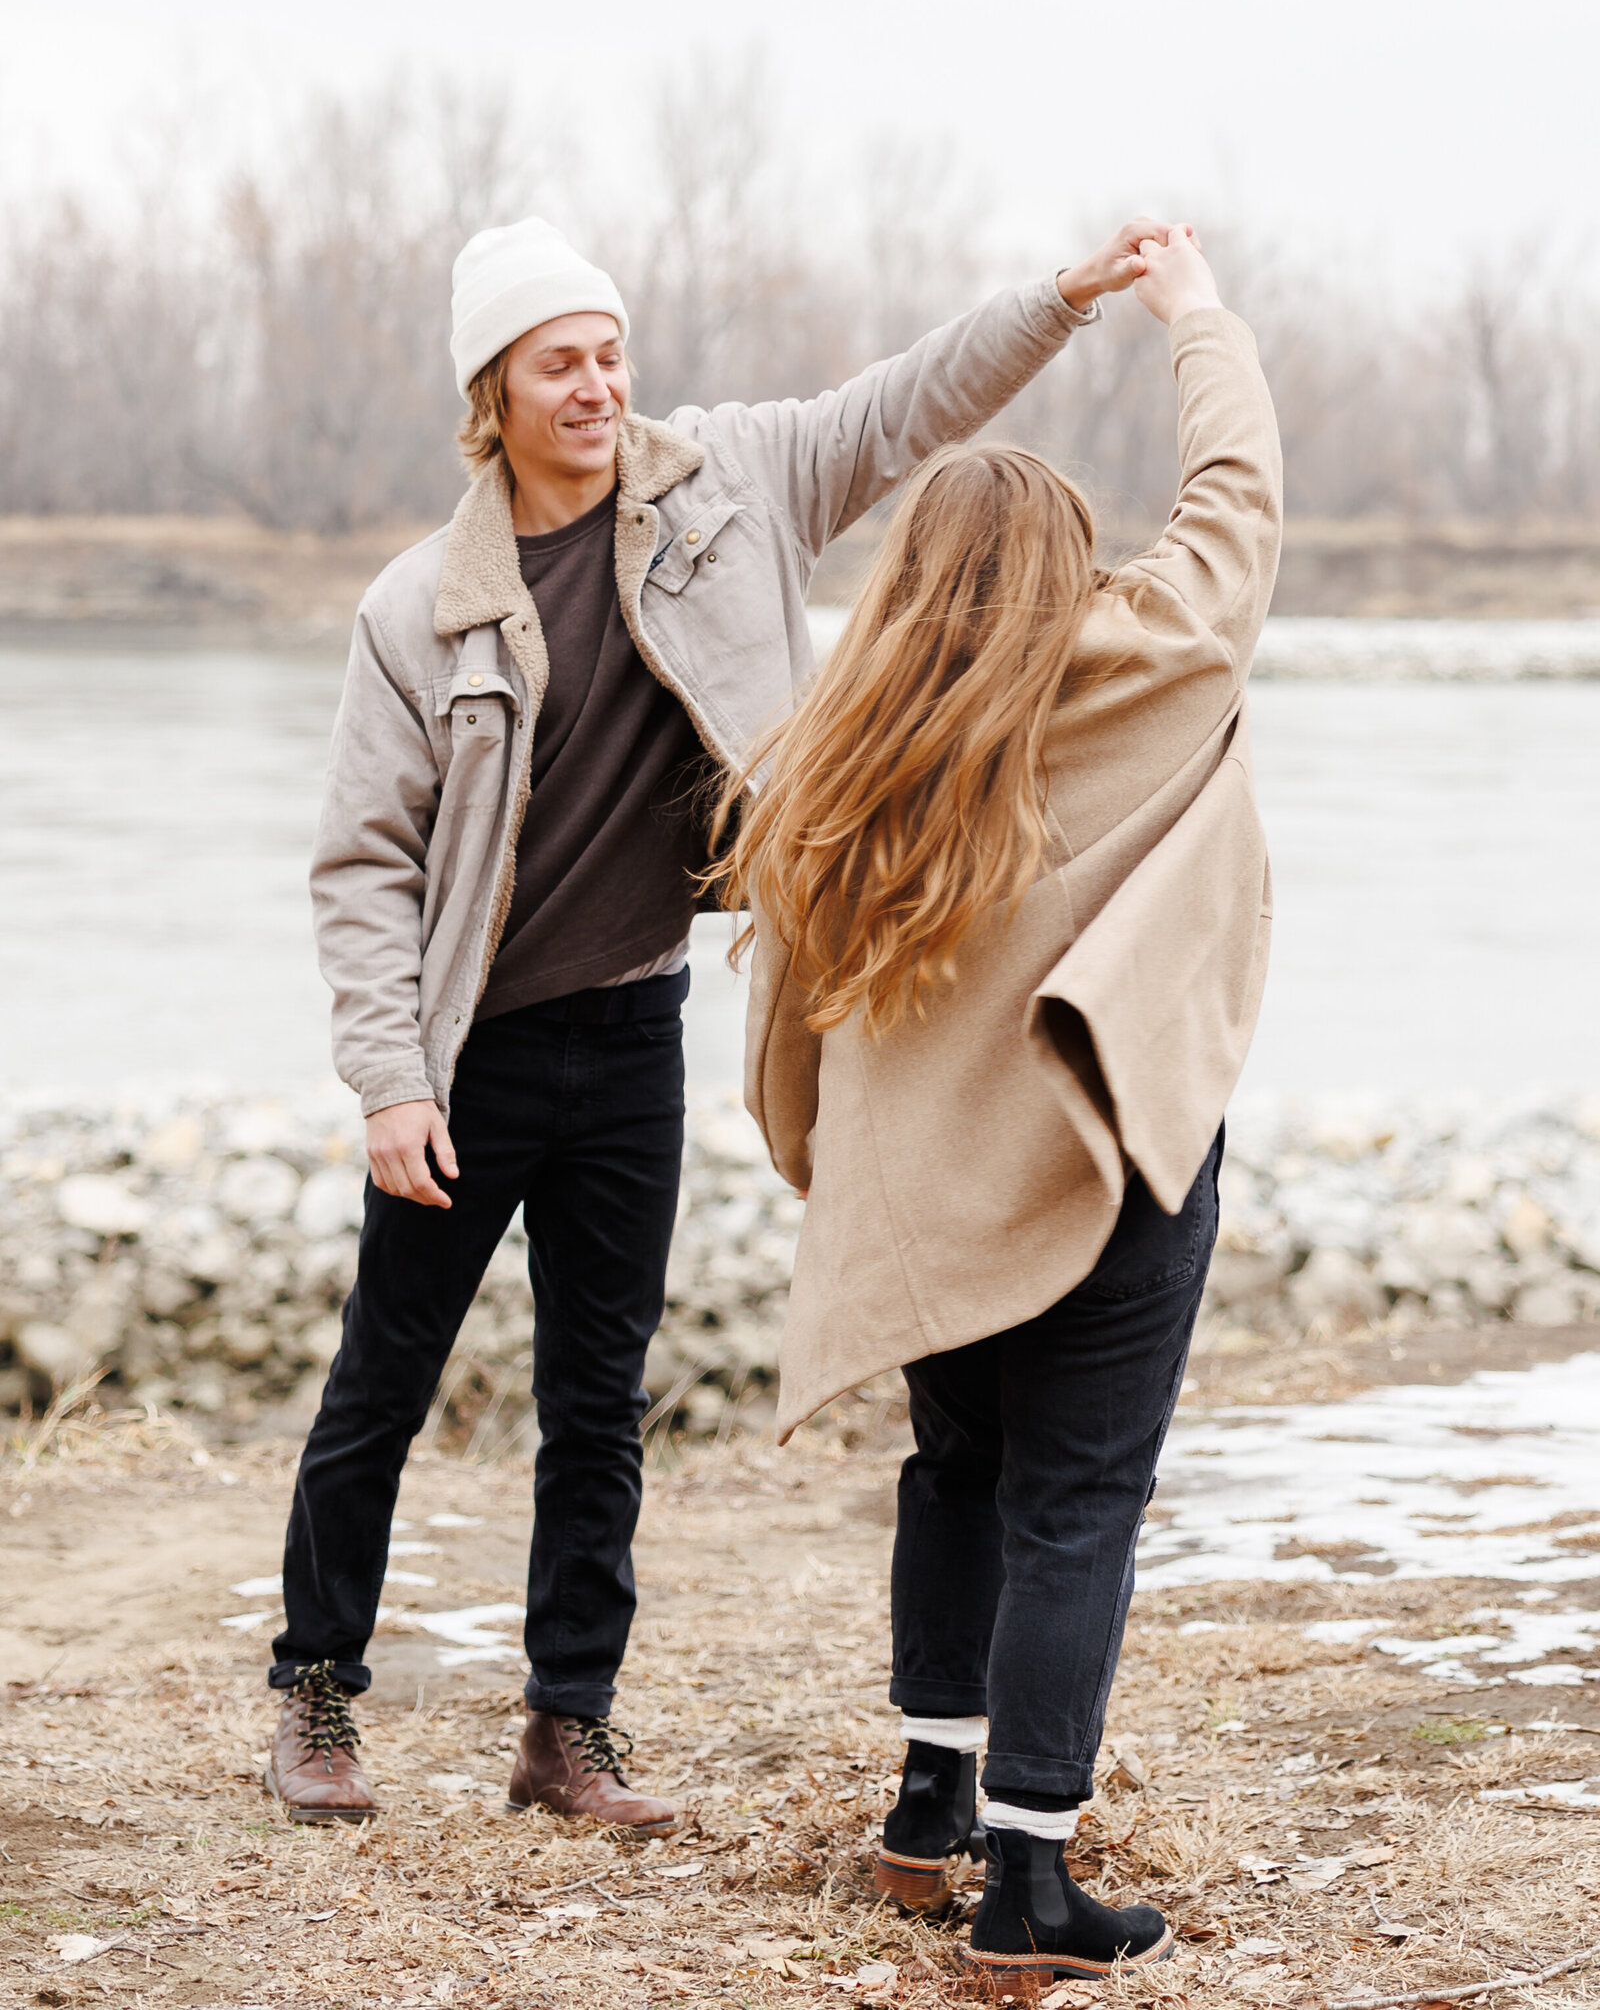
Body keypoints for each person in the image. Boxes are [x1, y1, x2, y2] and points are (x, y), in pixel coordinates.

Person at [263, 209, 1159, 1826]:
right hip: (467, 1059)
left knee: (599, 1402)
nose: (599, 384)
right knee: (381, 1384)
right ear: (495, 394)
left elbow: (908, 402)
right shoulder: (422, 607)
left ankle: (567, 1730)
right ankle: (317, 1695)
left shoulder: (735, 486)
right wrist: (390, 1081)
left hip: (632, 1033)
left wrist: (1061, 300)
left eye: (610, 352)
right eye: (562, 363)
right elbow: (362, 863)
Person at [721, 226, 1280, 1982]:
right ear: (1069, 566)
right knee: (1079, 1503)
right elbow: (1239, 492)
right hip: (1109, 1156)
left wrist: (832, 1164)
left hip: (924, 1189)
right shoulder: (1142, 661)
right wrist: (1193, 315)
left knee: (956, 1475)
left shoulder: (845, 739)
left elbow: (783, 1000)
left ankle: (924, 1810)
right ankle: (1031, 1884)